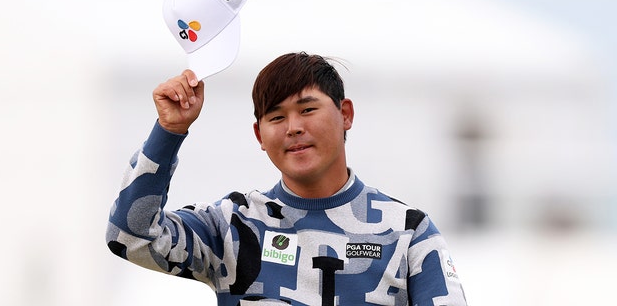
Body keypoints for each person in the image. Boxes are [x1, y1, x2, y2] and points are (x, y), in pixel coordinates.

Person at [106, 52, 468, 305]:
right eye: (276, 117)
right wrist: (170, 130)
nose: (294, 128)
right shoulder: (232, 226)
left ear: (345, 114)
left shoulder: (408, 233)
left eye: (308, 109)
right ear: (259, 136)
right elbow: (130, 237)